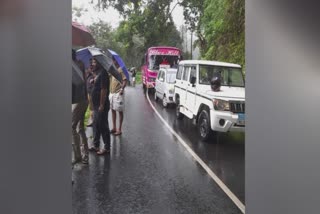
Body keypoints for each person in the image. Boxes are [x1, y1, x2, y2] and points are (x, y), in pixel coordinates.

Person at [89, 57, 111, 155]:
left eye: (94, 62)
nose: (93, 64)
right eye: (92, 62)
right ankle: (96, 145)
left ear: (99, 63)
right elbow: (98, 85)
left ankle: (106, 148)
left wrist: (101, 104)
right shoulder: (98, 73)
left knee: (103, 125)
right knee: (96, 125)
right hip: (96, 104)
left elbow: (104, 89)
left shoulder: (103, 73)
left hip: (101, 105)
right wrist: (93, 80)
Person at [72, 49, 89, 164]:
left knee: (72, 127)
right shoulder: (80, 64)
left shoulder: (73, 67)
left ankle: (78, 156)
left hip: (78, 101)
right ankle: (85, 156)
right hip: (83, 99)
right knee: (80, 127)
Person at [110, 57, 127, 136]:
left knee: (119, 111)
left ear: (117, 61)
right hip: (112, 93)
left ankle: (119, 129)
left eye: (115, 60)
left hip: (118, 93)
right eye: (113, 60)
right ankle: (114, 127)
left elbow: (124, 80)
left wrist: (122, 89)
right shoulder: (112, 70)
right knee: (113, 110)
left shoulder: (120, 69)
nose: (114, 62)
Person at [86, 58, 95, 127]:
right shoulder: (88, 71)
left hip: (93, 92)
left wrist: (91, 72)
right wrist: (88, 72)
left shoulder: (96, 71)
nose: (90, 65)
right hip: (89, 91)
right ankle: (92, 120)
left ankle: (93, 121)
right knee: (91, 107)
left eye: (91, 63)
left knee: (92, 107)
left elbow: (96, 77)